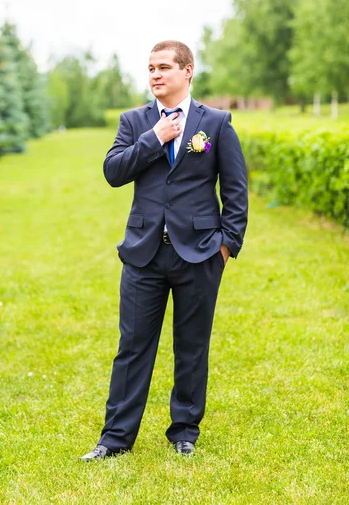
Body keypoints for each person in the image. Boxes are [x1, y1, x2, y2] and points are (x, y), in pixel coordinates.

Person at [80, 40, 248, 461]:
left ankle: (185, 431)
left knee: (192, 345)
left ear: (187, 71)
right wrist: (154, 138)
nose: (155, 75)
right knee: (133, 345)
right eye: (150, 68)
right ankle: (115, 438)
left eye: (164, 67)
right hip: (144, 253)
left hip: (201, 253)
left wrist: (226, 246)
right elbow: (113, 172)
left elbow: (235, 190)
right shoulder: (134, 121)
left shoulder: (217, 122)